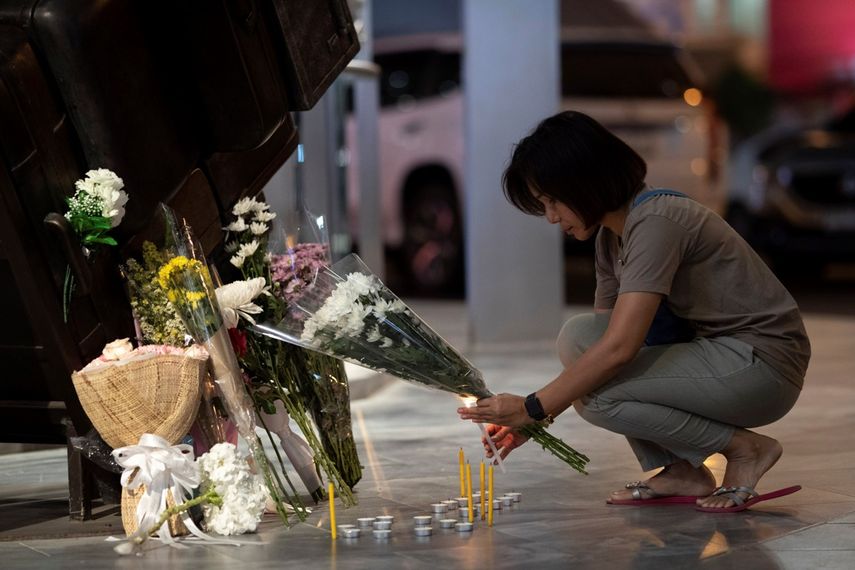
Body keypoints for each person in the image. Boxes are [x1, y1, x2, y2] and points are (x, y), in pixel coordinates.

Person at [457, 111, 811, 512]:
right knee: (579, 338)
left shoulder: (657, 220)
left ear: (585, 182)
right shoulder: (612, 238)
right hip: (722, 356)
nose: (552, 217)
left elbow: (620, 350)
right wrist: (536, 417)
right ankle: (684, 470)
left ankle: (747, 450)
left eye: (553, 200)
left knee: (598, 398)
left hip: (763, 365)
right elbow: (600, 344)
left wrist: (532, 408)